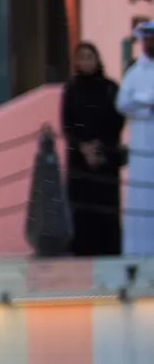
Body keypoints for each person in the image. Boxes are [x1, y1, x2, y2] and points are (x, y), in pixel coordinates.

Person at [62, 42, 125, 257]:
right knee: (82, 211)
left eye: (90, 57)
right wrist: (83, 147)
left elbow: (118, 120)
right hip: (80, 161)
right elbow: (67, 124)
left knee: (105, 210)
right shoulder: (71, 89)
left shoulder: (110, 88)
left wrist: (100, 146)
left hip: (105, 158)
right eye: (82, 58)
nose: (87, 62)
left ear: (97, 60)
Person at [120, 24, 154, 258]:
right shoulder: (135, 73)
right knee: (141, 198)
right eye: (148, 40)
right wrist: (146, 100)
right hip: (142, 141)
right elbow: (122, 102)